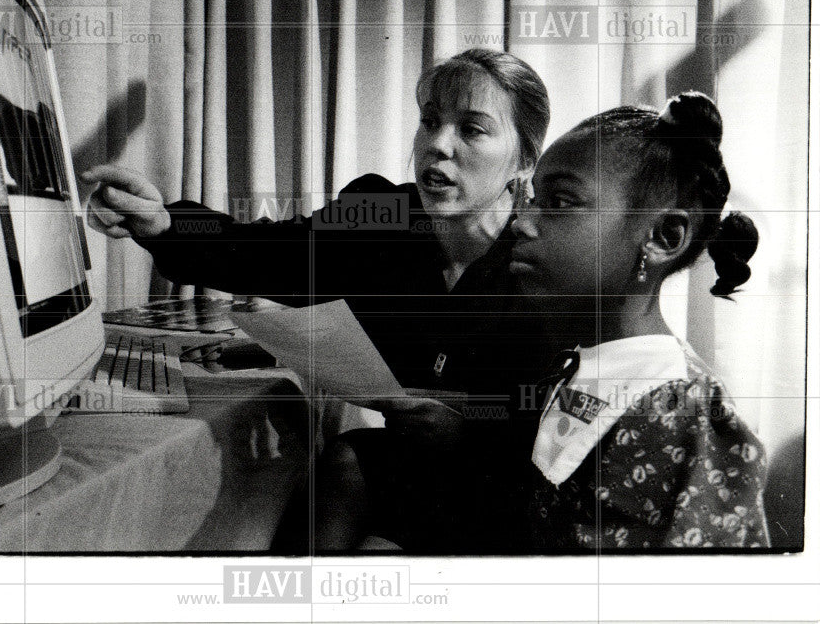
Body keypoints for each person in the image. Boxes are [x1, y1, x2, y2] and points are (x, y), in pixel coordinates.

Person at [82, 48, 551, 552]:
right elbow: (270, 254)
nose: (437, 145)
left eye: (473, 129)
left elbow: (559, 422)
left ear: (523, 159)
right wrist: (167, 225)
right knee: (346, 460)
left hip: (504, 492)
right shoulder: (382, 214)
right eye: (430, 121)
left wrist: (468, 430)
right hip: (408, 470)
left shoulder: (548, 258)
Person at [509, 91, 770, 549]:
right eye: (530, 200)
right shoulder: (573, 366)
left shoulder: (688, 414)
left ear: (663, 237)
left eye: (561, 201)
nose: (521, 223)